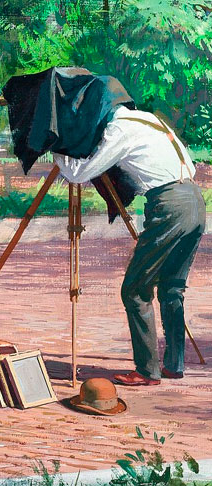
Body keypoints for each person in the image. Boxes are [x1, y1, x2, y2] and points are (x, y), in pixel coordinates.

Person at [53, 105, 205, 386]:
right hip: (195, 201)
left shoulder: (119, 128)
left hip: (169, 205)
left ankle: (147, 370)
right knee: (172, 289)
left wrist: (58, 148)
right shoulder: (151, 119)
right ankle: (174, 364)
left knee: (135, 289)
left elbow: (80, 172)